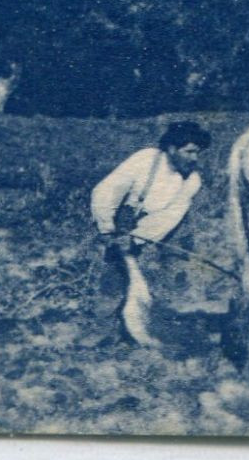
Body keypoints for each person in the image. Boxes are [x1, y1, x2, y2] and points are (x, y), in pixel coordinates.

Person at [90, 121, 212, 347]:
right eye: (189, 152)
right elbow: (107, 191)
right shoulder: (146, 160)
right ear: (172, 149)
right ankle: (105, 330)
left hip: (163, 228)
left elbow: (169, 217)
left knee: (167, 275)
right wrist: (107, 229)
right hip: (124, 219)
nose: (194, 158)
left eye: (198, 153)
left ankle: (157, 324)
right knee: (114, 273)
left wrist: (137, 238)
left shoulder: (192, 180)